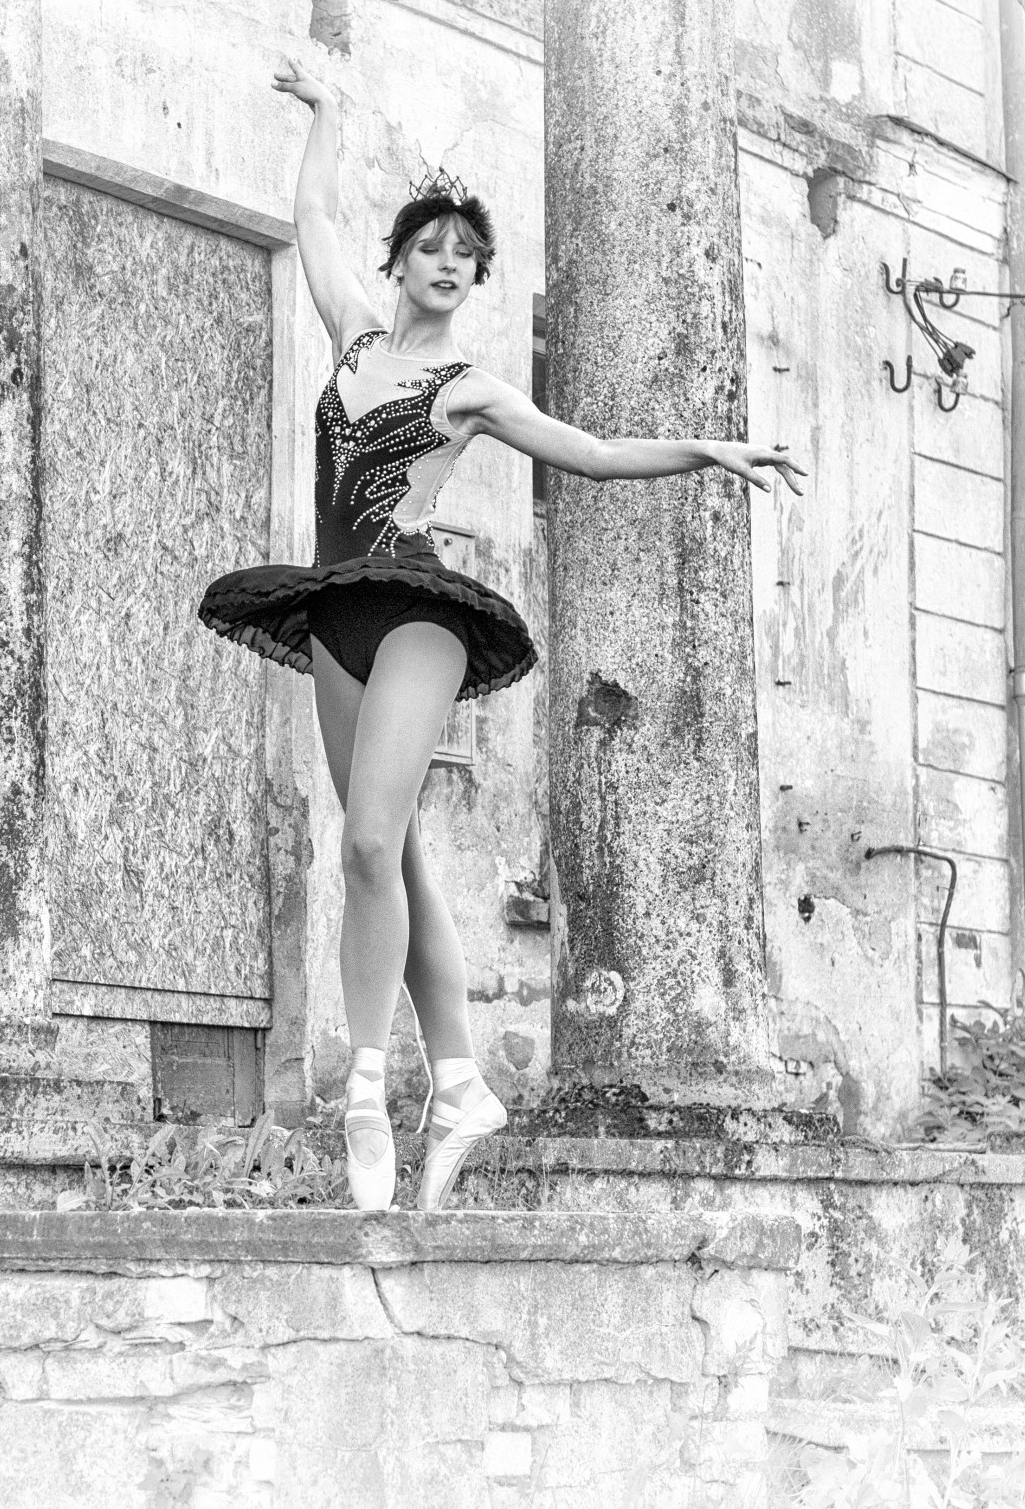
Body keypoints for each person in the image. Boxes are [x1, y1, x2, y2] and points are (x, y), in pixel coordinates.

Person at [198, 58, 808, 1212]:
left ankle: (367, 1093)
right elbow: (312, 216)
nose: (446, 263)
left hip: (420, 612)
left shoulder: (469, 387)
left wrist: (705, 448)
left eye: (466, 256)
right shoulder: (352, 341)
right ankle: (463, 1082)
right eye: (430, 247)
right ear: (398, 262)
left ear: (476, 281)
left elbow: (591, 452)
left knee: (367, 843)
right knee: (393, 858)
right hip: (332, 611)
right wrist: (329, 111)